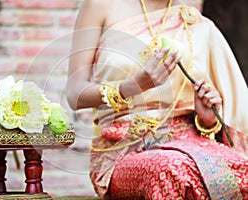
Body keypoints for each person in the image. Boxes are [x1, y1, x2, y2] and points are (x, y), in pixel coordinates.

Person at [66, 0, 248, 199]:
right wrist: (131, 87)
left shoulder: (191, 16)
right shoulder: (101, 5)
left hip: (191, 142)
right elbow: (75, 94)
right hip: (123, 146)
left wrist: (207, 119)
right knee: (168, 168)